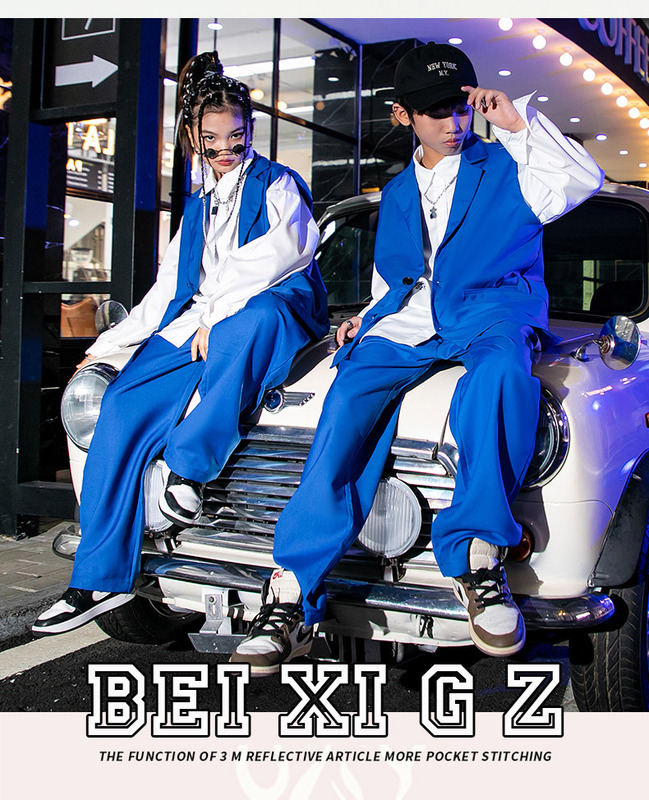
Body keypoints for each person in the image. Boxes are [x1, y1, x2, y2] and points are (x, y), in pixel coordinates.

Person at [229, 42, 604, 676]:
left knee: (500, 376)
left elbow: (581, 181)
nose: (453, 122)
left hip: (492, 311)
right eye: (435, 111)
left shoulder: (509, 164)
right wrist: (368, 318)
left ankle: (478, 559)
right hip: (410, 321)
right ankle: (293, 589)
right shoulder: (398, 191)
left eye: (459, 107)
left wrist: (517, 124)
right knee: (345, 398)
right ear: (403, 115)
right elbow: (394, 278)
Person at [32, 51, 329, 636]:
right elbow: (168, 287)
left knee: (252, 320)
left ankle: (188, 469)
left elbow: (280, 254)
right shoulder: (197, 206)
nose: (226, 149)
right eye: (212, 139)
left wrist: (215, 315)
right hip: (197, 320)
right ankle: (95, 577)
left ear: (249, 130)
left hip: (273, 309)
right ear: (194, 137)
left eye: (236, 136)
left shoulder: (277, 183)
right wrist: (111, 344)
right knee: (121, 401)